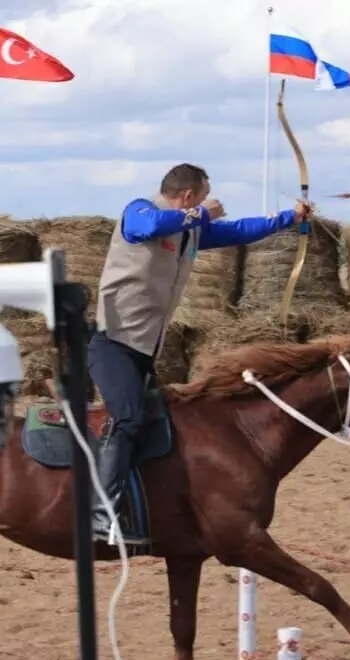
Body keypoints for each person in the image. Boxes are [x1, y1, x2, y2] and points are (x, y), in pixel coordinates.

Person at [89, 162, 312, 545]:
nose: (209, 202)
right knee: (127, 418)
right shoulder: (139, 210)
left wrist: (288, 218)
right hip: (113, 343)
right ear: (189, 195)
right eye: (204, 195)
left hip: (143, 350)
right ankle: (100, 513)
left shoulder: (188, 231)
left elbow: (237, 231)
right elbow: (149, 228)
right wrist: (199, 214)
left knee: (162, 425)